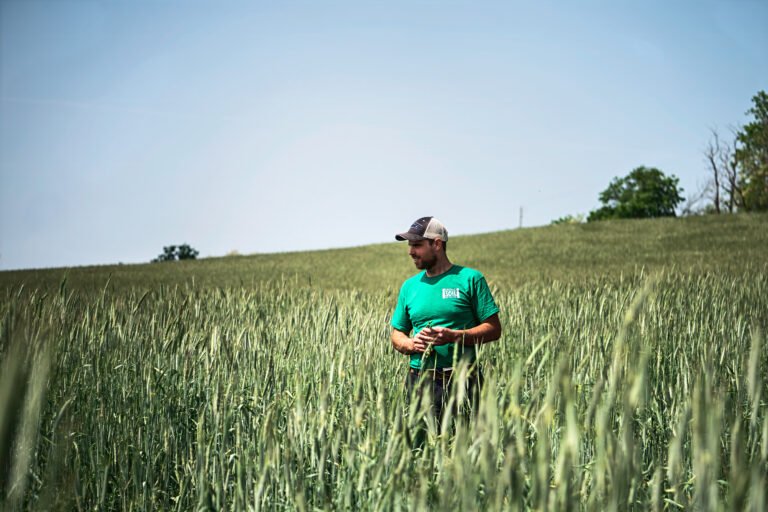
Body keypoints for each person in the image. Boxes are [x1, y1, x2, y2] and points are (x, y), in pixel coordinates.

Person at [390, 216, 502, 424]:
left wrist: (454, 336)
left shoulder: (470, 279)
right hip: (419, 381)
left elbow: (494, 329)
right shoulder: (409, 287)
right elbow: (397, 334)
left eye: (417, 245)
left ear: (437, 244)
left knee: (467, 448)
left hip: (464, 381)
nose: (410, 251)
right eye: (409, 245)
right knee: (421, 451)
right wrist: (411, 343)